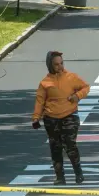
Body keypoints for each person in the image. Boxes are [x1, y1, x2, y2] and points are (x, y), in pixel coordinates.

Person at [32, 51, 90, 185]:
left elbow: (86, 87)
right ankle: (59, 177)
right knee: (55, 147)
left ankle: (78, 173)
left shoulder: (71, 77)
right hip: (51, 119)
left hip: (69, 116)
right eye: (56, 64)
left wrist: (77, 96)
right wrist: (36, 118)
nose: (60, 66)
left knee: (70, 145)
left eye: (61, 63)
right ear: (50, 65)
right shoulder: (45, 83)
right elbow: (40, 101)